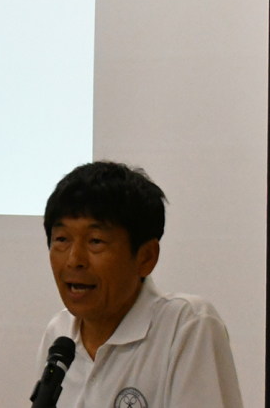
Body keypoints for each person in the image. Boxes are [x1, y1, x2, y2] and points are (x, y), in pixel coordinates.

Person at [36, 161, 243, 408]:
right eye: (62, 239)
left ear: (146, 258)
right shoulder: (59, 334)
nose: (74, 260)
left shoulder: (186, 326)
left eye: (96, 241)